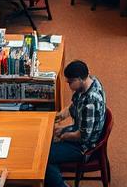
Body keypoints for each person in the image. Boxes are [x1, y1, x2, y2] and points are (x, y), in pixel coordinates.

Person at [45, 59, 107, 187]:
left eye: (70, 82)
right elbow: (74, 105)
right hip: (79, 130)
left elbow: (82, 136)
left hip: (84, 147)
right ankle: (54, 177)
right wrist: (59, 117)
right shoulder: (91, 81)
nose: (68, 85)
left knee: (44, 157)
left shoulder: (90, 103)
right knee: (46, 141)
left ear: (79, 79)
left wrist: (62, 135)